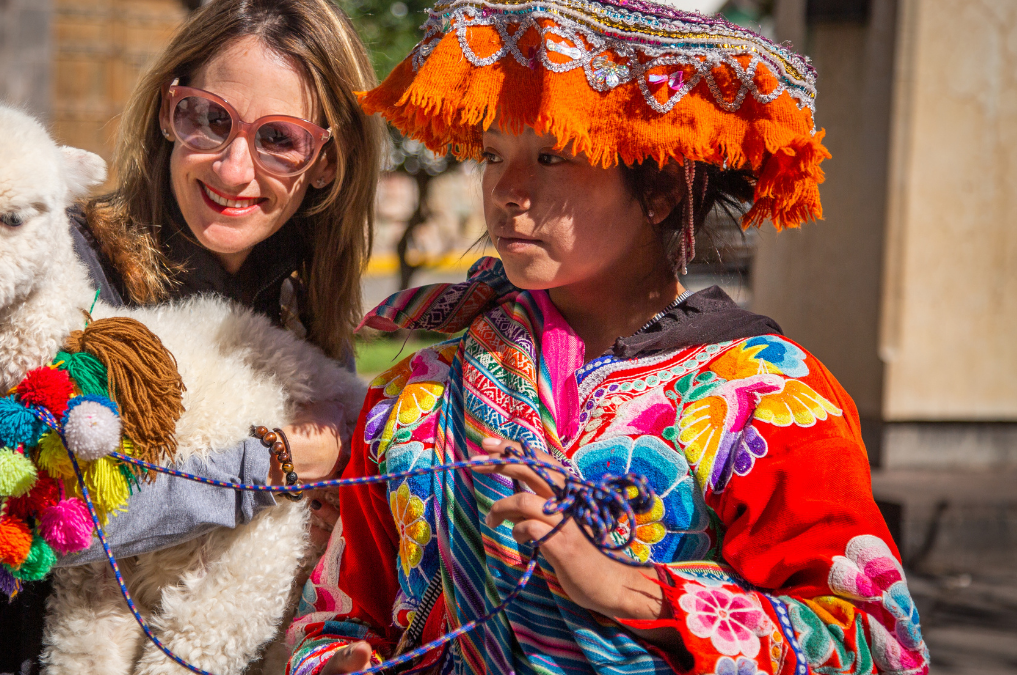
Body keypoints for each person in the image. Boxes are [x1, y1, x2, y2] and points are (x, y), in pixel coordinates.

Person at [287, 2, 929, 675]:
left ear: (655, 189)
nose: (506, 190)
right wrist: (340, 658)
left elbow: (877, 642)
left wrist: (627, 590)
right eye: (492, 154)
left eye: (552, 155)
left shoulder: (768, 398)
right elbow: (337, 618)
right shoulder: (411, 400)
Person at [0, 0, 381, 673]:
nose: (231, 169)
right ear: (171, 111)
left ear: (328, 161)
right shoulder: (71, 265)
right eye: (210, 119)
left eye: (279, 138)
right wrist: (271, 465)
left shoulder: (306, 303)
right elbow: (49, 520)